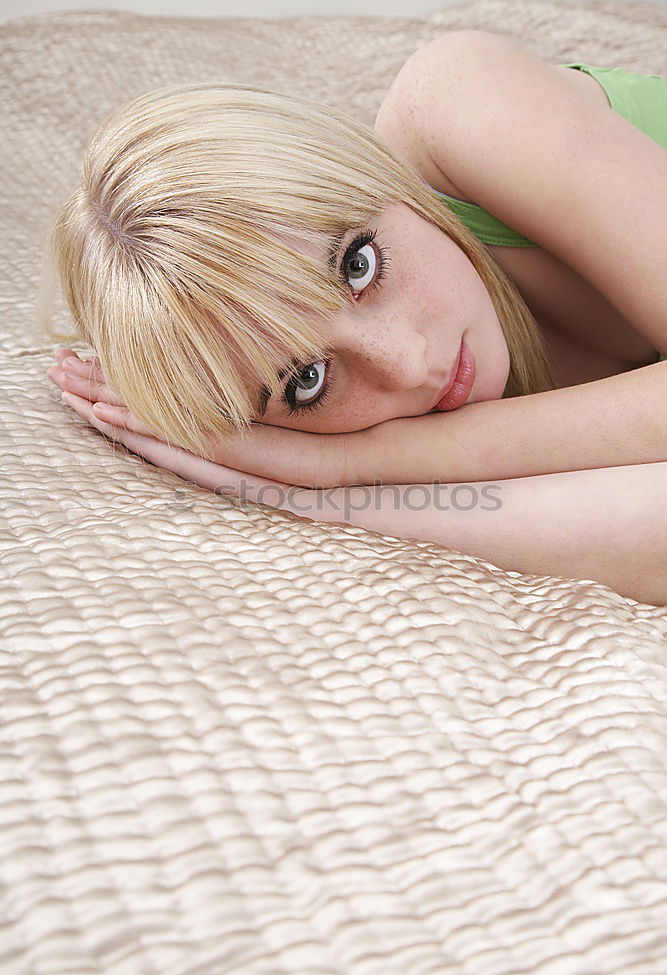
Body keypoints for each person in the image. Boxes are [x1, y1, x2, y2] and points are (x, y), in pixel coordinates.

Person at [44, 30, 667, 604]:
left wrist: (372, 460)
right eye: (306, 381)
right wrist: (320, 495)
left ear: (362, 173)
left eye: (359, 264)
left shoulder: (457, 100)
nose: (406, 364)